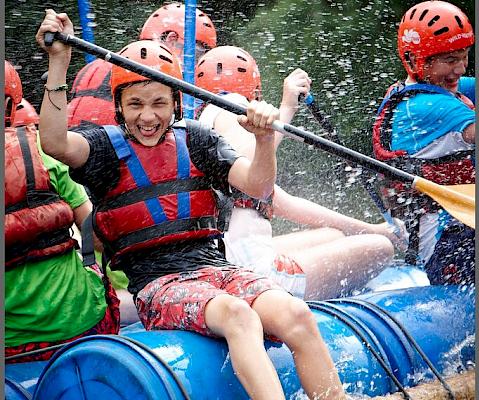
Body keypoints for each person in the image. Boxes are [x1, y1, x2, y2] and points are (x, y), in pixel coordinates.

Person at [36, 10, 345, 400]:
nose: (148, 116)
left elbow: (258, 186)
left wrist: (265, 140)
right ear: (118, 105)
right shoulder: (102, 149)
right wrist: (59, 60)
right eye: (135, 104)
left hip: (217, 268)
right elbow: (54, 142)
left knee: (297, 315)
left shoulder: (196, 140)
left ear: (177, 103)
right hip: (157, 285)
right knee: (238, 315)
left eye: (159, 103)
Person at [195, 45, 399, 300]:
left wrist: (369, 227)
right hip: (253, 278)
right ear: (254, 92)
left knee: (333, 234)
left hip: (224, 263)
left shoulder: (200, 128)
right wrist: (287, 107)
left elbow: (290, 204)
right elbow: (248, 163)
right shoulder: (230, 106)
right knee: (380, 248)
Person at [5, 60, 120, 363]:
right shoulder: (42, 152)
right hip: (81, 324)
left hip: (11, 348)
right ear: (9, 104)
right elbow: (97, 235)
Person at [372, 0, 475, 285]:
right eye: (451, 60)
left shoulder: (419, 90)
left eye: (465, 56)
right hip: (448, 243)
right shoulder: (429, 107)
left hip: (456, 225)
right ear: (418, 61)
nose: (461, 68)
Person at [68, 2, 217, 131]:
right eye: (198, 53)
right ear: (172, 39)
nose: (197, 65)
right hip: (113, 156)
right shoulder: (153, 74)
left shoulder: (96, 65)